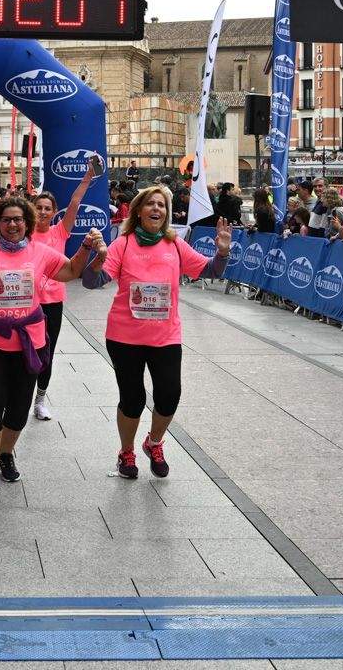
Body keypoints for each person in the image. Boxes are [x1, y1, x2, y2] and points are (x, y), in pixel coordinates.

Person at [0, 196, 97, 496]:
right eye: (7, 220)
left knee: (20, 408)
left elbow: (71, 272)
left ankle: (6, 453)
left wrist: (85, 248)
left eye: (18, 220)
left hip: (28, 342)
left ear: (28, 223)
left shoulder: (41, 252)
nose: (13, 225)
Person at [82, 186, 231, 479]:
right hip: (125, 336)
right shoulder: (123, 244)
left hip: (165, 335)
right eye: (150, 203)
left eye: (161, 205)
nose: (156, 209)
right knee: (133, 398)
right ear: (138, 210)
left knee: (169, 394)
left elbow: (210, 271)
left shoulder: (175, 244)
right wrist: (97, 258)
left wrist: (222, 251)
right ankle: (126, 452)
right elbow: (91, 282)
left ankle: (154, 442)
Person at [29, 155, 103, 421]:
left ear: (53, 212)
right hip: (27, 302)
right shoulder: (24, 234)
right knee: (24, 351)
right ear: (32, 210)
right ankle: (20, 395)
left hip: (53, 303)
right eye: (39, 207)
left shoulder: (60, 232)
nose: (44, 212)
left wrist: (88, 177)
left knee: (47, 352)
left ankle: (40, 400)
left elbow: (74, 203)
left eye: (48, 208)